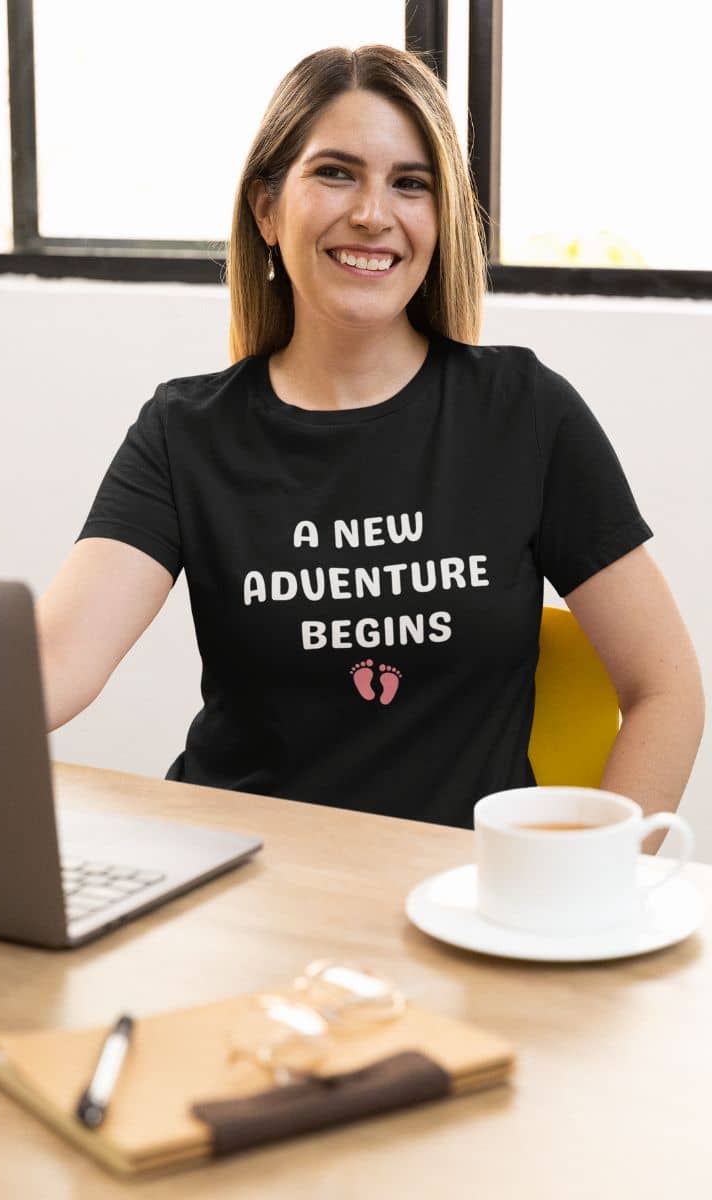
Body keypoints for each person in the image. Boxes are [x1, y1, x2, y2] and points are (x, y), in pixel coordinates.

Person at [35, 44, 704, 854]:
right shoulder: (185, 431)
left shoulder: (524, 413)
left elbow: (666, 688)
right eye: (336, 173)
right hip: (238, 883)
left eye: (410, 183)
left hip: (455, 895)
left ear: (440, 220)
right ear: (266, 209)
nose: (373, 214)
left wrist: (594, 882)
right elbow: (56, 660)